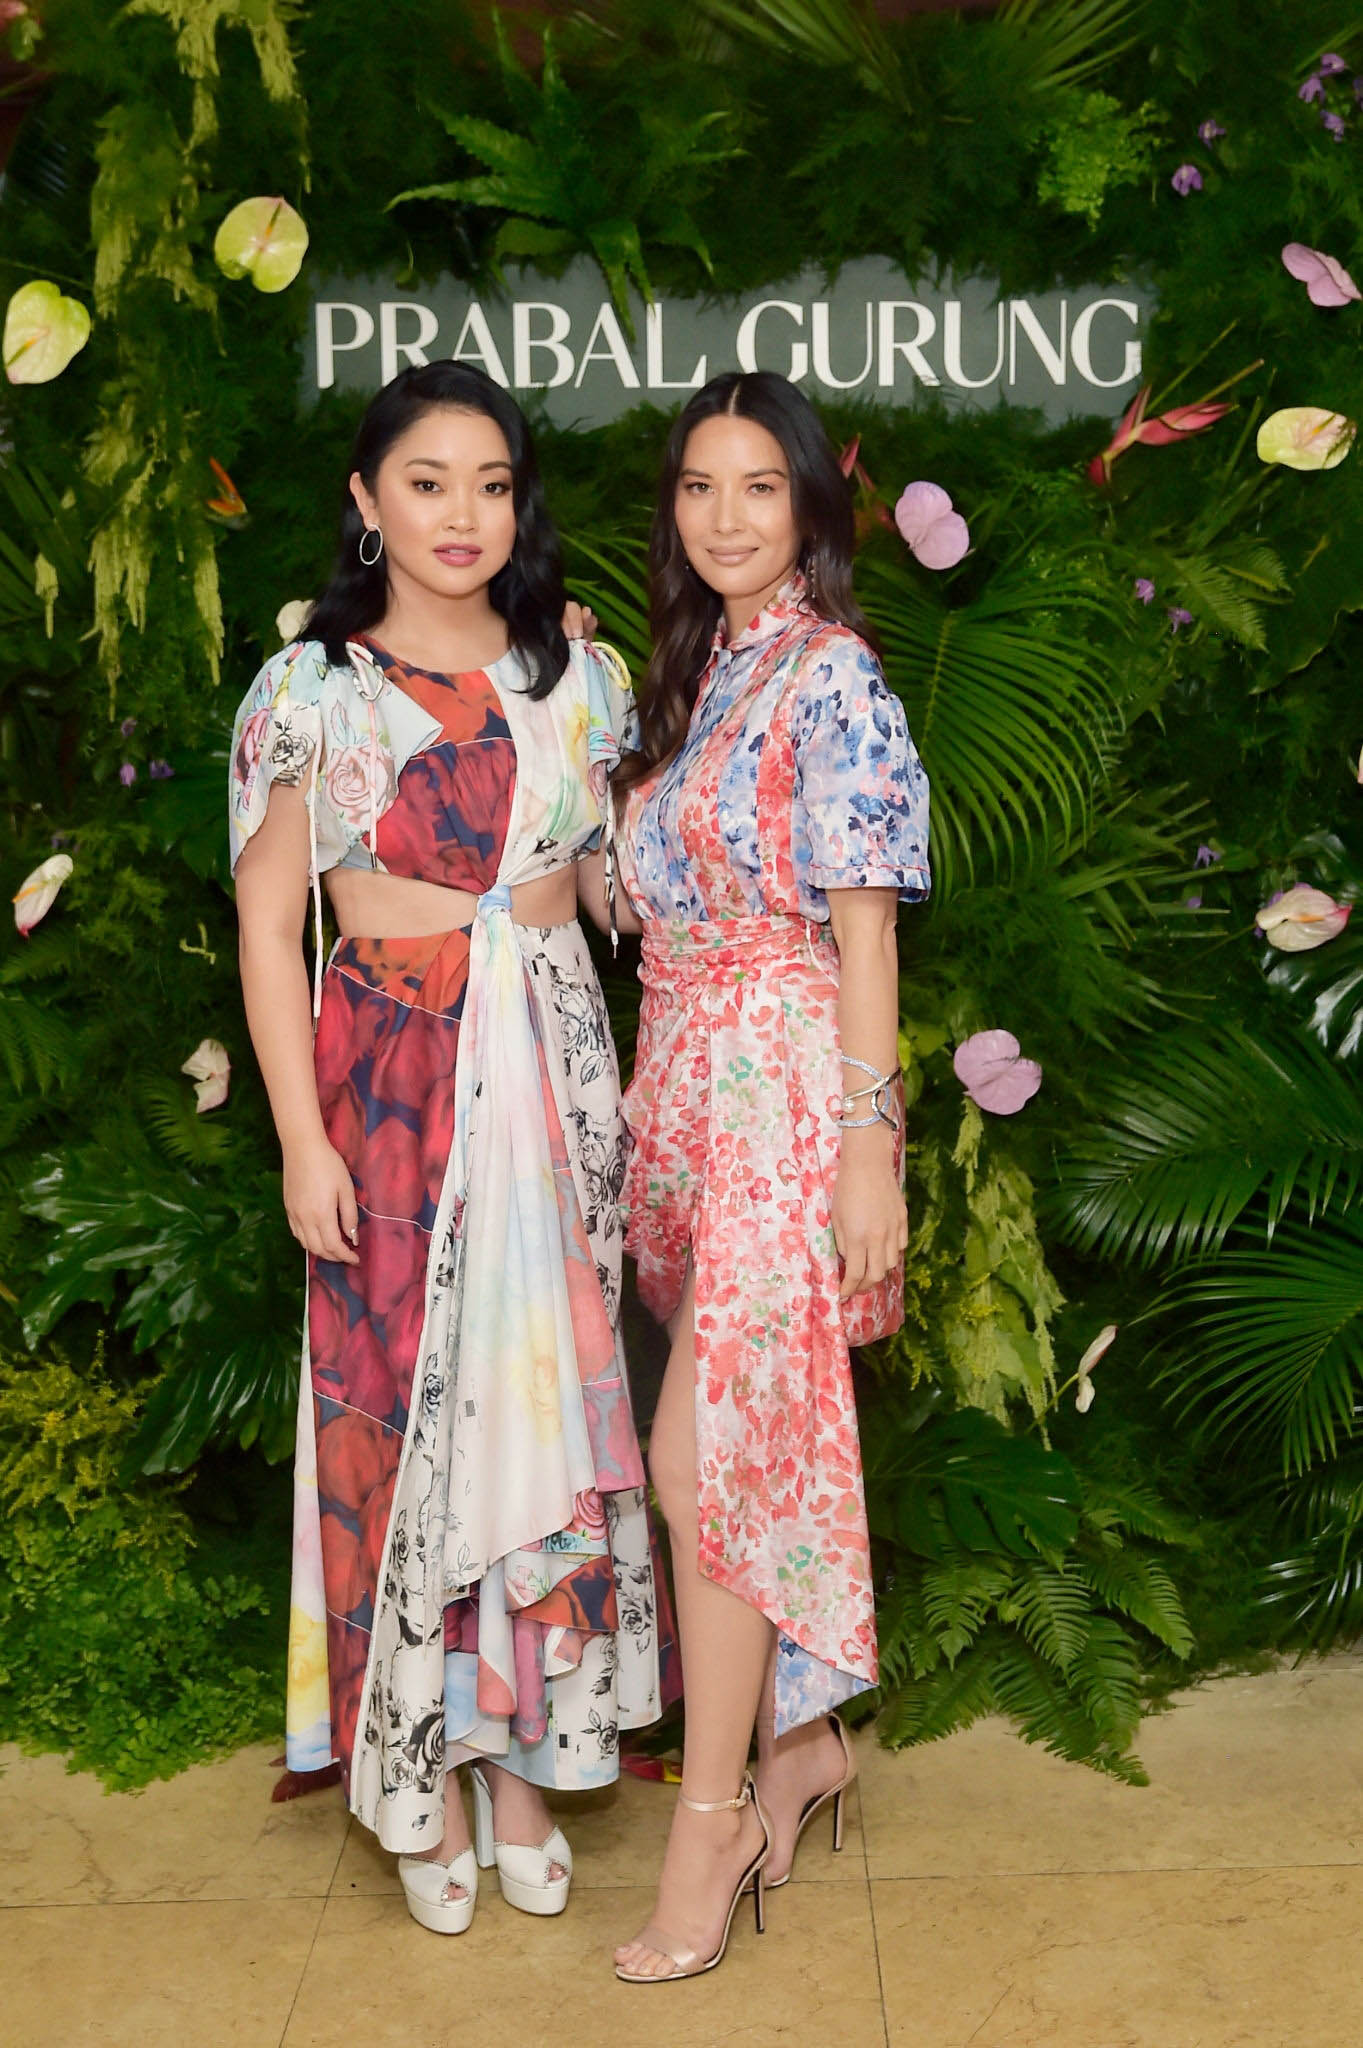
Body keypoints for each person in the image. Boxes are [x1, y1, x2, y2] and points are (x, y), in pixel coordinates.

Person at [228, 361, 673, 1936]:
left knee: (552, 1418)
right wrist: (301, 1139)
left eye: (492, 483)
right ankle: (422, 1774)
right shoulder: (308, 696)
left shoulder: (583, 680)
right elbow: (268, 935)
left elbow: (622, 899)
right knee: (408, 1435)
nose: (463, 514)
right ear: (367, 500)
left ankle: (527, 1763)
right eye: (428, 482)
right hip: (390, 1093)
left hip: (557, 1083)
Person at [588, 369, 930, 1981]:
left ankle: (713, 1822)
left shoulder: (834, 675)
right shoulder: (693, 677)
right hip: (684, 1101)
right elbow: (634, 904)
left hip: (790, 1098)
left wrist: (869, 1150)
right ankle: (801, 1750)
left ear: (811, 509)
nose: (725, 518)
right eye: (698, 487)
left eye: (760, 488)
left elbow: (866, 935)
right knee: (716, 1461)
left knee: (711, 1468)